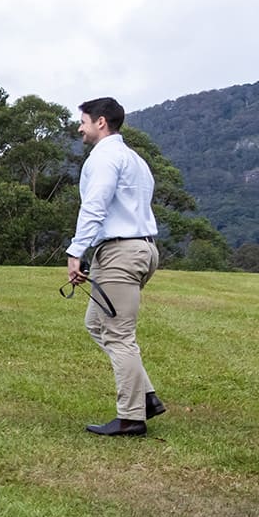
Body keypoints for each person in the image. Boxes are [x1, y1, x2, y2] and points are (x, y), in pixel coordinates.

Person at [68, 97, 165, 437]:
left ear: (101, 123)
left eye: (84, 121)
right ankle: (147, 398)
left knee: (119, 334)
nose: (79, 127)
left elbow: (95, 205)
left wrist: (76, 251)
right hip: (143, 250)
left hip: (120, 253)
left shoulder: (105, 157)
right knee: (96, 323)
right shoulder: (135, 159)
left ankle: (130, 418)